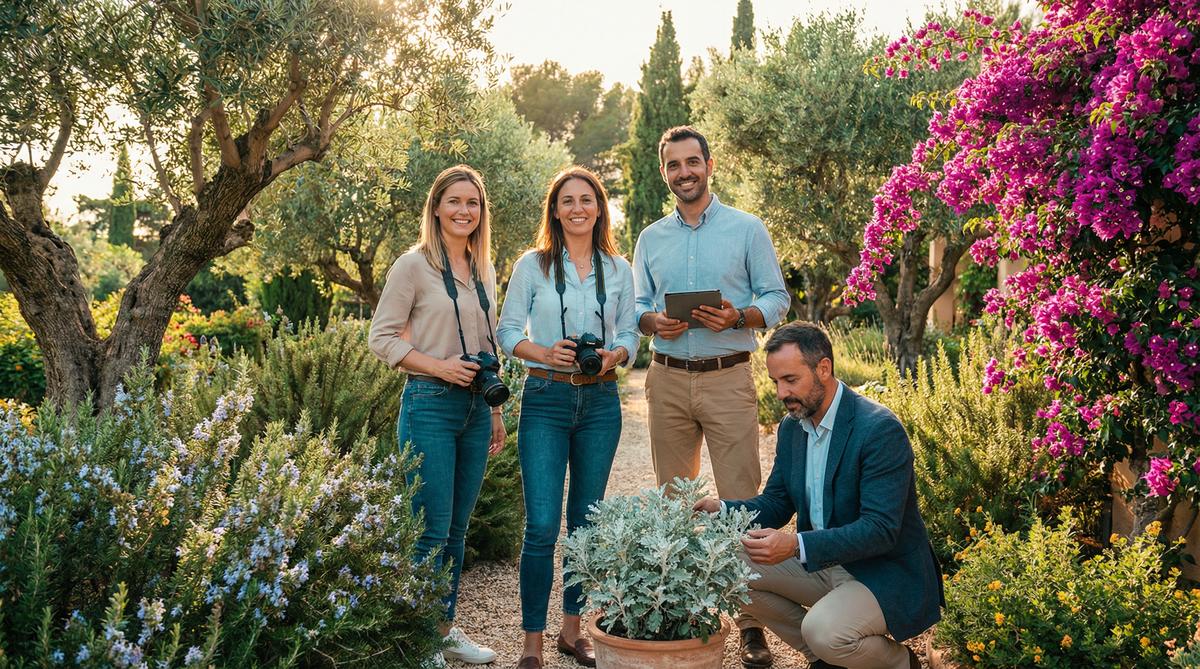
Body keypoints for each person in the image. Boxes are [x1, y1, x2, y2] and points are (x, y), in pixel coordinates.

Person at [693, 322, 943, 669]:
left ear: (823, 368)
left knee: (823, 630)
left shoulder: (879, 429)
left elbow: (880, 529)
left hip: (882, 572)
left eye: (790, 380)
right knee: (724, 568)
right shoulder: (793, 427)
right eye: (776, 382)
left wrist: (795, 545)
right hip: (825, 563)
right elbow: (778, 501)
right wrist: (722, 509)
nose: (781, 393)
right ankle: (824, 660)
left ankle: (902, 663)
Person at [632, 125, 789, 667]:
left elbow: (776, 297)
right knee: (673, 501)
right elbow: (636, 306)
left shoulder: (748, 230)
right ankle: (682, 610)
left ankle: (751, 622)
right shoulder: (651, 238)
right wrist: (652, 321)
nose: (684, 173)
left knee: (742, 498)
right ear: (665, 173)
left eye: (692, 162)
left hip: (728, 377)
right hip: (668, 377)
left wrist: (738, 316)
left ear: (709, 163)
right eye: (673, 165)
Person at [497, 167, 640, 669]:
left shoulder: (619, 269)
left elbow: (630, 333)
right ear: (555, 210)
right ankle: (532, 641)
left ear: (600, 207)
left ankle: (571, 631)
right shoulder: (531, 266)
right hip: (545, 396)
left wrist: (613, 357)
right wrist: (543, 352)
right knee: (540, 526)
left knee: (585, 525)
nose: (577, 208)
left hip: (601, 401)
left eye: (587, 199)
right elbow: (508, 331)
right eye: (567, 201)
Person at [369, 165, 505, 667]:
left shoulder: (484, 266)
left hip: (474, 407)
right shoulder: (412, 266)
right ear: (436, 207)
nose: (464, 210)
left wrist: (493, 411)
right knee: (428, 528)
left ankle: (443, 627)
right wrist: (441, 368)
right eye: (455, 201)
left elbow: (487, 344)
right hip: (428, 401)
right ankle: (419, 637)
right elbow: (381, 338)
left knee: (457, 529)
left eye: (473, 202)